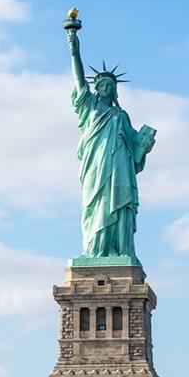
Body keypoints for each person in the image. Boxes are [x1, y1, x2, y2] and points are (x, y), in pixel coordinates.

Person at [67, 28, 155, 260]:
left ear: (115, 89)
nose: (106, 87)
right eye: (102, 84)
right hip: (96, 166)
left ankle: (119, 250)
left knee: (118, 204)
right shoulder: (90, 107)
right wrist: (74, 48)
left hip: (120, 168)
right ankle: (95, 251)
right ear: (96, 88)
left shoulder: (122, 116)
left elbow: (135, 150)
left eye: (110, 85)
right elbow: (78, 80)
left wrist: (144, 144)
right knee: (96, 205)